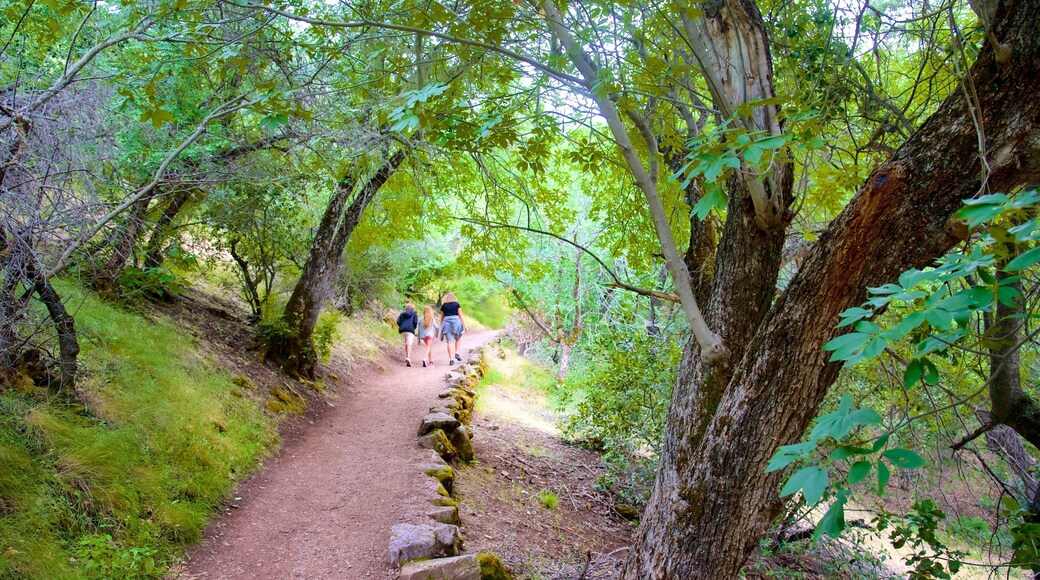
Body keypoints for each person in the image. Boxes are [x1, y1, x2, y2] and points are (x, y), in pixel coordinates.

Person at [439, 292, 466, 366]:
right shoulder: (457, 304)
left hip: (446, 323)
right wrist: (464, 325)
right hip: (456, 322)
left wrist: (442, 326)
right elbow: (460, 315)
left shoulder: (444, 305)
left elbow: (441, 317)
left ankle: (451, 360)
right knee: (458, 338)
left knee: (449, 342)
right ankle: (457, 352)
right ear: (454, 298)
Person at [396, 302, 418, 366]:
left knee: (406, 342)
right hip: (410, 330)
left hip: (403, 330)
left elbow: (398, 321)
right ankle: (408, 357)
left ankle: (407, 356)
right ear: (413, 308)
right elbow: (415, 322)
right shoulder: (414, 313)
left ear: (406, 307)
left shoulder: (402, 313)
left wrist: (402, 325)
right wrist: (413, 327)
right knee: (409, 343)